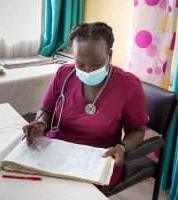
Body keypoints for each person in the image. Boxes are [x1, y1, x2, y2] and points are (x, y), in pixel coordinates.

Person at [23, 22, 149, 190]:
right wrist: (41, 124)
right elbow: (45, 110)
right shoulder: (64, 74)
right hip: (57, 151)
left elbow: (137, 130)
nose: (88, 70)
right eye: (80, 64)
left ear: (109, 55)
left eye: (96, 64)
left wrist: (122, 148)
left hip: (98, 159)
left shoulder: (128, 85)